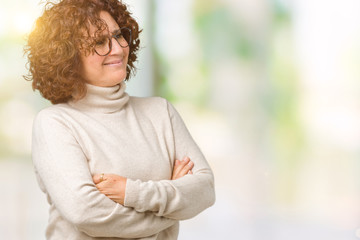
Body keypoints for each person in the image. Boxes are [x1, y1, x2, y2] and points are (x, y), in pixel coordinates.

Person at [24, 0, 215, 239]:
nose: (117, 49)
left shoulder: (160, 112)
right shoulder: (55, 123)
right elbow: (87, 214)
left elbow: (205, 190)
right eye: (99, 42)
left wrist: (130, 192)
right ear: (67, 57)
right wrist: (172, 204)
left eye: (118, 35)